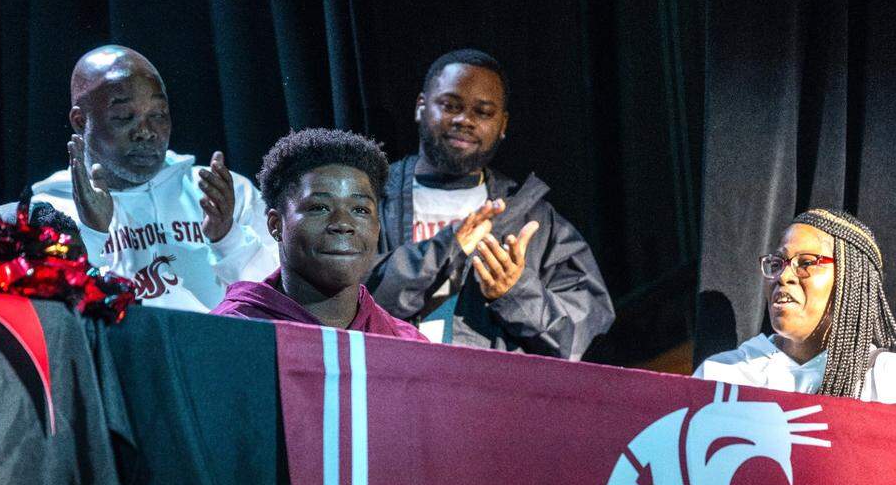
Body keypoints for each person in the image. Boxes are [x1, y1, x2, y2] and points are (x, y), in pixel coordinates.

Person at [0, 45, 276, 312]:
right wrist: (92, 235)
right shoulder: (48, 212)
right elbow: (55, 322)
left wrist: (229, 238)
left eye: (159, 114)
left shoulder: (219, 191)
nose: (146, 131)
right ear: (80, 121)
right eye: (124, 117)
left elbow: (285, 304)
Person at [366, 48, 614, 359]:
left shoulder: (534, 219)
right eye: (450, 105)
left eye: (483, 112)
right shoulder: (370, 200)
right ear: (421, 106)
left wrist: (514, 292)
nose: (464, 120)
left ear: (503, 124)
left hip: (490, 399)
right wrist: (444, 249)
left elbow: (580, 336)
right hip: (391, 390)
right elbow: (339, 300)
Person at [211, 128, 427, 341]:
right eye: (319, 207)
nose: (343, 224)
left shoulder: (408, 345)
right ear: (275, 224)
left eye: (360, 210)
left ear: (377, 226)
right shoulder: (228, 335)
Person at [694, 208, 896, 399]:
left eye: (806, 263)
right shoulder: (722, 375)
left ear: (851, 279)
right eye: (776, 263)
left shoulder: (889, 380)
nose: (783, 276)